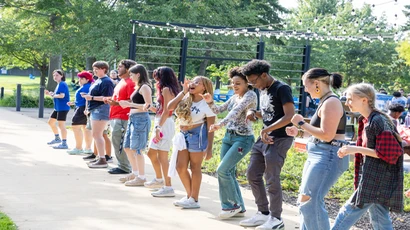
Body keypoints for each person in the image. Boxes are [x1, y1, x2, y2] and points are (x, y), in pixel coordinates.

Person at [332, 83, 403, 230]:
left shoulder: (377, 121)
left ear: (364, 100)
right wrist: (351, 147)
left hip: (375, 180)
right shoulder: (367, 120)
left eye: (351, 99)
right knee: (380, 220)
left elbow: (389, 154)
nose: (347, 102)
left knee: (346, 213)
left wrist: (354, 149)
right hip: (375, 177)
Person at [285, 68, 349, 230]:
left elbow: (327, 135)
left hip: (327, 155)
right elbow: (320, 131)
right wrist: (299, 131)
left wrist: (301, 123)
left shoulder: (331, 102)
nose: (305, 90)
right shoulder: (326, 100)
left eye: (306, 86)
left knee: (310, 201)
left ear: (316, 84)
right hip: (319, 153)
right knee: (305, 201)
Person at [239, 59, 294, 230]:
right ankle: (263, 213)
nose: (254, 86)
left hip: (279, 138)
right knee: (252, 174)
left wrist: (266, 129)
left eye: (254, 81)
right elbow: (268, 112)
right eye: (250, 83)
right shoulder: (263, 90)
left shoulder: (282, 88)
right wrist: (252, 113)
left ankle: (276, 218)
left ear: (264, 75)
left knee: (271, 178)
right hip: (264, 137)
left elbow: (289, 116)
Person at [202, 67, 257, 219]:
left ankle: (230, 205)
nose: (234, 86)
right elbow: (219, 109)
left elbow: (235, 112)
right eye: (233, 83)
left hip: (243, 139)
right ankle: (239, 208)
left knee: (222, 170)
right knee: (229, 172)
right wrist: (210, 102)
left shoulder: (250, 95)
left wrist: (220, 124)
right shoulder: (234, 97)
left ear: (247, 83)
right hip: (228, 138)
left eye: (238, 83)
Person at [168, 76, 215, 209]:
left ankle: (194, 198)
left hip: (197, 135)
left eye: (197, 82)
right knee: (180, 167)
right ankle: (190, 197)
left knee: (195, 167)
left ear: (204, 87)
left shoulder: (207, 104)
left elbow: (211, 127)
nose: (192, 84)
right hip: (183, 135)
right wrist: (183, 91)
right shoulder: (185, 97)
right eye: (192, 81)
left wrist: (209, 148)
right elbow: (169, 107)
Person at [145, 67, 180, 197]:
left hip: (164, 124)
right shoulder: (166, 89)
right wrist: (152, 108)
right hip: (161, 121)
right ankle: (159, 179)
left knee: (162, 156)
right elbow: (162, 110)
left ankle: (168, 186)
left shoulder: (166, 89)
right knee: (151, 152)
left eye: (156, 76)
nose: (155, 79)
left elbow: (167, 111)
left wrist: (158, 126)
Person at [118, 64, 152, 186]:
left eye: (132, 74)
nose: (130, 77)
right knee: (127, 147)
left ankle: (141, 177)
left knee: (137, 149)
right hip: (133, 118)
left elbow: (149, 106)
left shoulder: (145, 87)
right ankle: (135, 173)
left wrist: (128, 104)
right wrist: (126, 103)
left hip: (140, 119)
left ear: (138, 74)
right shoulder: (138, 87)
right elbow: (138, 103)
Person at [105, 59, 137, 175]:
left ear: (128, 69)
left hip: (123, 117)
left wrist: (116, 103)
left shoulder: (130, 82)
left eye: (120, 67)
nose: (118, 69)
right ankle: (122, 165)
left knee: (120, 142)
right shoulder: (122, 81)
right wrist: (111, 100)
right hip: (116, 116)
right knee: (116, 141)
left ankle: (124, 166)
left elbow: (133, 100)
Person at [82, 61, 115, 168]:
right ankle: (99, 157)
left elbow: (108, 98)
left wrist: (91, 98)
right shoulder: (98, 80)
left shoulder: (107, 82)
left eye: (97, 68)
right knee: (96, 135)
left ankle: (102, 159)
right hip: (95, 109)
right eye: (94, 68)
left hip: (101, 109)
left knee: (98, 135)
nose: (95, 70)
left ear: (104, 69)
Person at [66, 71, 94, 155]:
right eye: (79, 78)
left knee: (75, 126)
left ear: (87, 79)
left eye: (82, 78)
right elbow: (82, 99)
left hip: (82, 109)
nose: (80, 80)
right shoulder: (87, 86)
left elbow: (86, 99)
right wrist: (74, 103)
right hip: (82, 107)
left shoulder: (86, 87)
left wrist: (85, 108)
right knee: (86, 128)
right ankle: (87, 148)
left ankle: (79, 148)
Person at [45, 69, 70, 149]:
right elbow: (57, 94)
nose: (55, 77)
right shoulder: (59, 84)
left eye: (57, 75)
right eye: (54, 75)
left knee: (61, 125)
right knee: (50, 122)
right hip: (57, 108)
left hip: (63, 108)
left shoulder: (62, 84)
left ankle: (64, 143)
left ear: (62, 76)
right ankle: (57, 138)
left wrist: (52, 95)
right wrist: (51, 93)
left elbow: (62, 95)